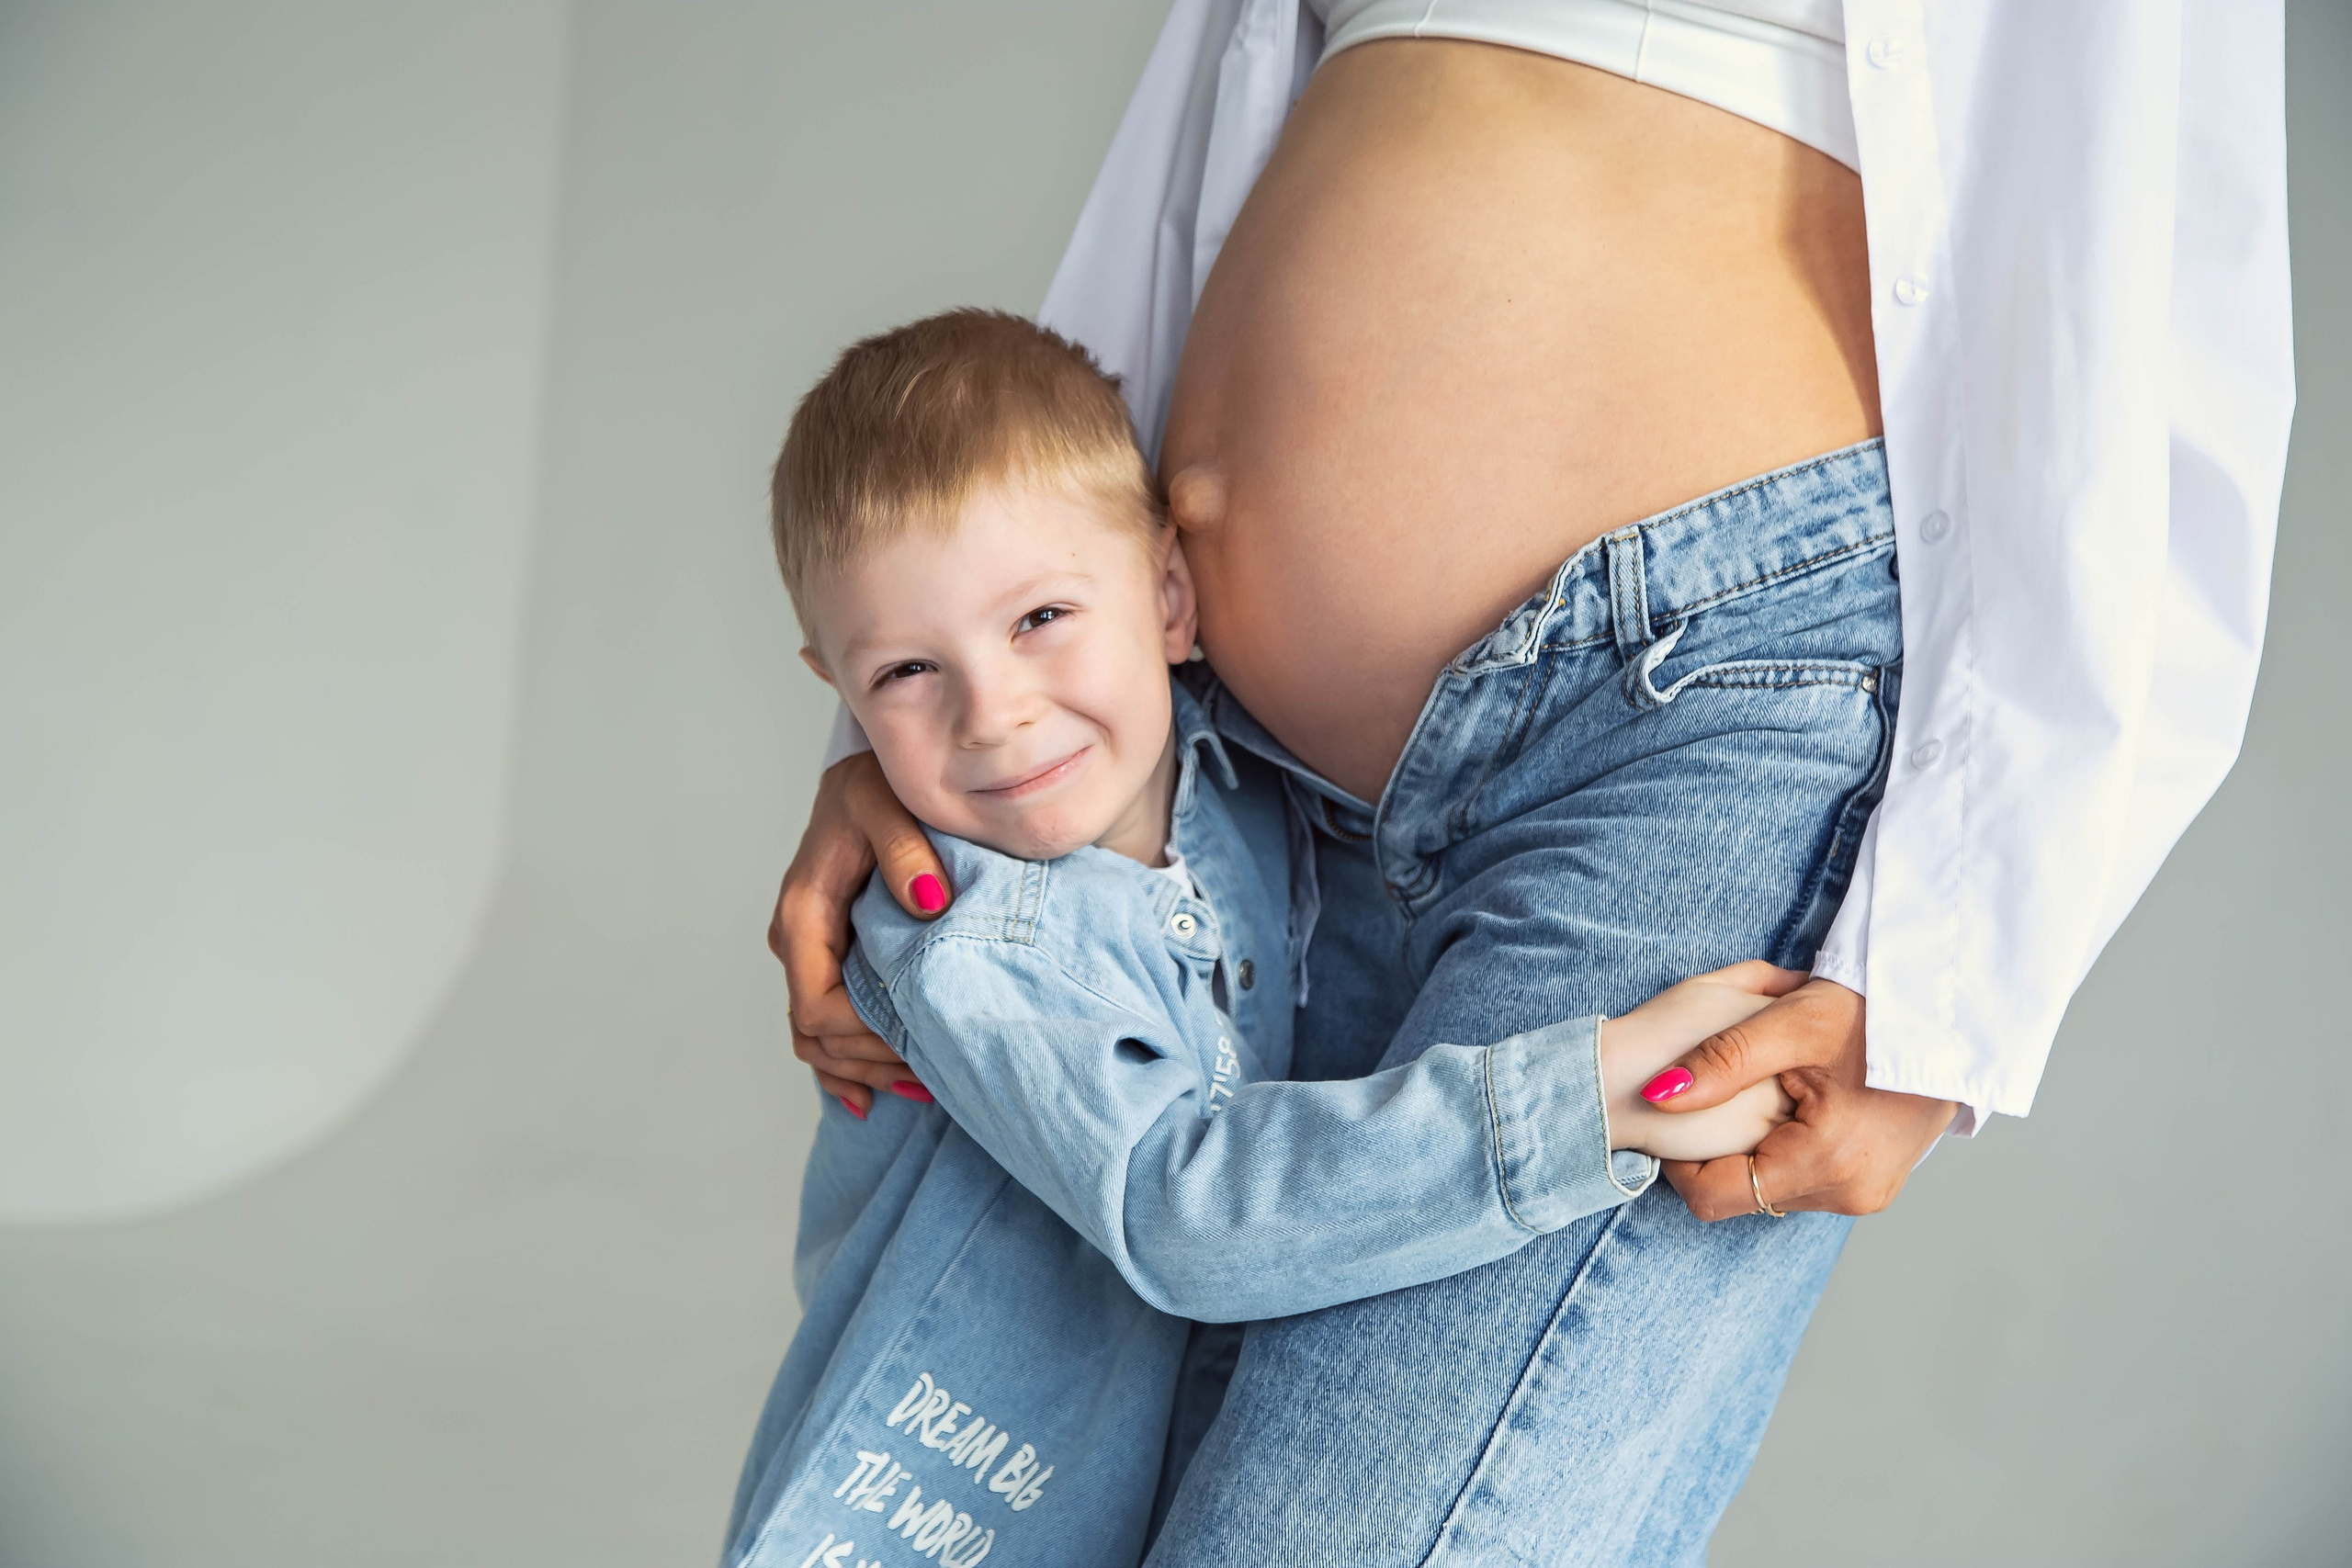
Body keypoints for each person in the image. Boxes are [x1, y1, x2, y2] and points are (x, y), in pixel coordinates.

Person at [773, 5, 2294, 1562]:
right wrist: (961, 708)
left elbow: (2189, 272)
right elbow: (1187, 171)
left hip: (1704, 706)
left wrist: (1963, 991)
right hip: (1242, 784)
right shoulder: (1008, 760)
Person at [727, 309, 1798, 1568]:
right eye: (908, 671)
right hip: (961, 1523)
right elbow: (1178, 1204)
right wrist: (1577, 1106)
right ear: (840, 693)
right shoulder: (967, 944)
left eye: (1040, 620)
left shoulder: (1242, 787)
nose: (996, 713)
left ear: (1170, 596)